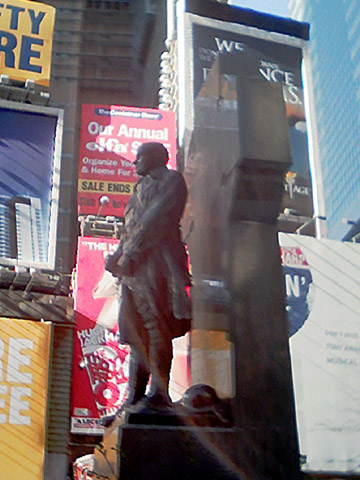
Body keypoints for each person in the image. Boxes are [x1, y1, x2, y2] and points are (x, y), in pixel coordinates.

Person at [105, 142, 191, 412]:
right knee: (135, 331)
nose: (134, 163)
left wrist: (128, 251)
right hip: (134, 267)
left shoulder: (172, 180)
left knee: (156, 327)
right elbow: (130, 227)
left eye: (139, 157)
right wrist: (118, 254)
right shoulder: (139, 188)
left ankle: (159, 394)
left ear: (155, 158)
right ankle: (132, 398)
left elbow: (155, 219)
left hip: (158, 261)